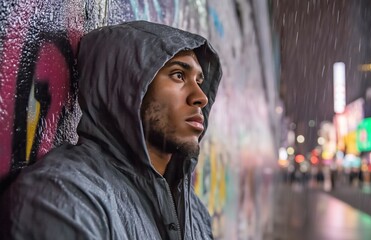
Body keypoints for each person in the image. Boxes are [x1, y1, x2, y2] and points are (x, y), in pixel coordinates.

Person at [0, 20, 222, 239]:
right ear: (128, 88)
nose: (200, 97)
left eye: (199, 81)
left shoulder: (194, 213)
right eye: (178, 76)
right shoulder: (62, 197)